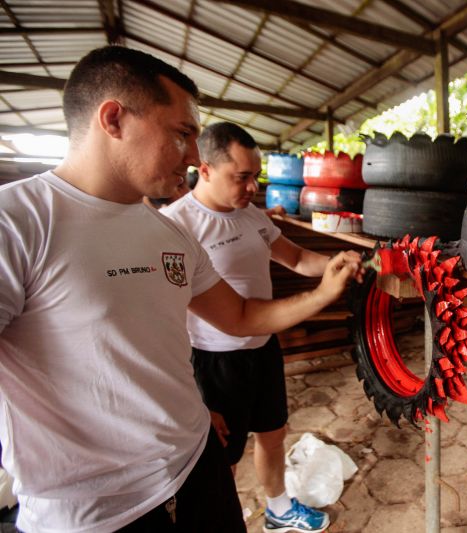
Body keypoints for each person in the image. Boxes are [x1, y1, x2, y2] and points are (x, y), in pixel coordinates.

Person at [0, 45, 361, 533]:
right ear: (113, 119)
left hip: (196, 471)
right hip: (95, 514)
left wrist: (323, 293)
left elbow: (238, 317)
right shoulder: (19, 222)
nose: (194, 156)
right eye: (182, 133)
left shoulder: (167, 232)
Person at [161, 122, 337, 533]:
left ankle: (278, 509)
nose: (252, 187)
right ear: (204, 170)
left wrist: (337, 265)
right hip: (211, 359)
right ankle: (223, 516)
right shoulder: (177, 226)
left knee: (273, 433)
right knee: (224, 455)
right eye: (241, 177)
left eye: (255, 176)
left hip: (262, 346)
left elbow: (295, 258)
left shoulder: (251, 215)